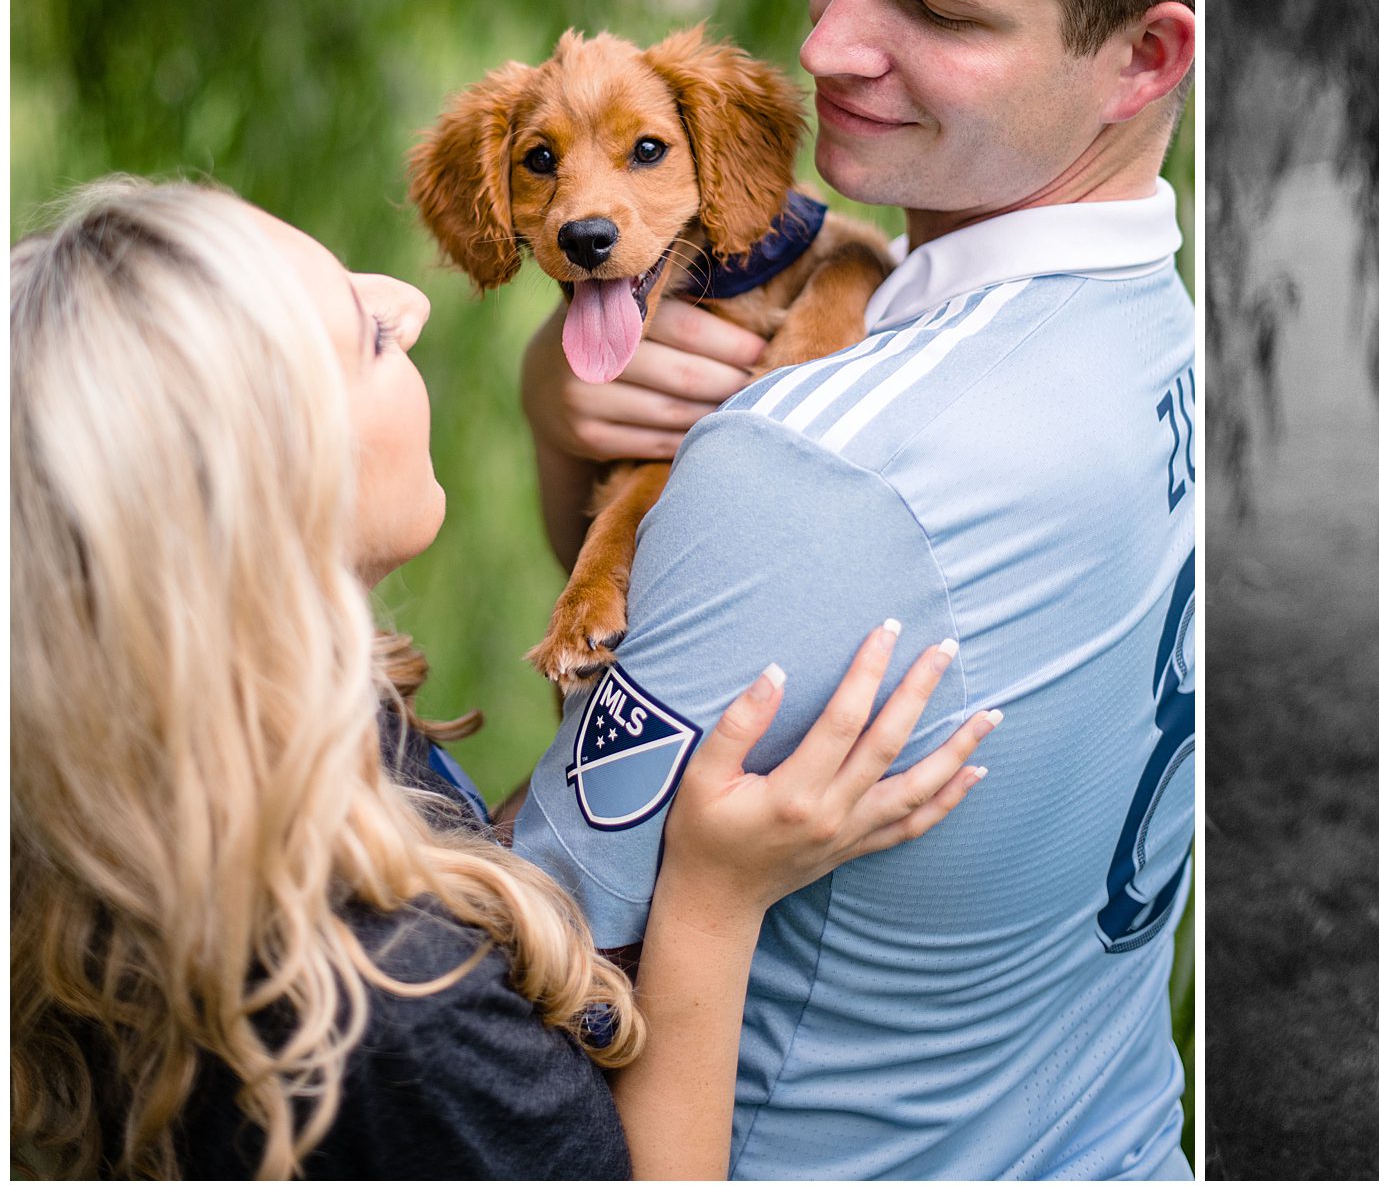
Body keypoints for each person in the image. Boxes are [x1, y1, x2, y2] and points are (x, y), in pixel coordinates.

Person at [511, 0, 1198, 1178]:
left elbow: (521, 944)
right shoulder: (1161, 328)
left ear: (1145, 55)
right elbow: (715, 620)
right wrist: (579, 431)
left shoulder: (818, 458)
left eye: (933, 8)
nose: (822, 43)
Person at [10, 177, 992, 1180]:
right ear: (273, 491)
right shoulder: (402, 1015)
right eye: (370, 340)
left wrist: (560, 417)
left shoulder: (244, 752)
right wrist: (714, 892)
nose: (412, 298)